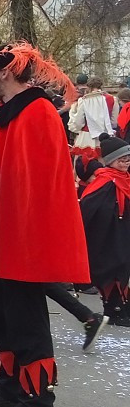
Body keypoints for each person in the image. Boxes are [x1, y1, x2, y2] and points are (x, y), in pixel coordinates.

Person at [0, 42, 90, 407]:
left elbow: (37, 186)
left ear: (5, 72)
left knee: (27, 322)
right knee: (2, 317)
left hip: (21, 239)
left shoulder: (37, 113)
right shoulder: (5, 113)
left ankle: (39, 404)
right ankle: (9, 386)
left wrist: (22, 240)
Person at [79, 133, 130, 329]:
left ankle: (120, 307)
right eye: (121, 160)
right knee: (114, 268)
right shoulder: (106, 180)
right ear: (111, 161)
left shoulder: (125, 178)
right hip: (108, 234)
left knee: (123, 267)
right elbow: (89, 206)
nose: (126, 163)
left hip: (123, 232)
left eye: (128, 159)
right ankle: (113, 309)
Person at [68, 76, 113, 154]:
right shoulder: (112, 99)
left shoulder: (83, 100)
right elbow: (114, 121)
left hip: (87, 135)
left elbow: (79, 121)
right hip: (106, 134)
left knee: (81, 162)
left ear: (88, 86)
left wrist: (76, 129)